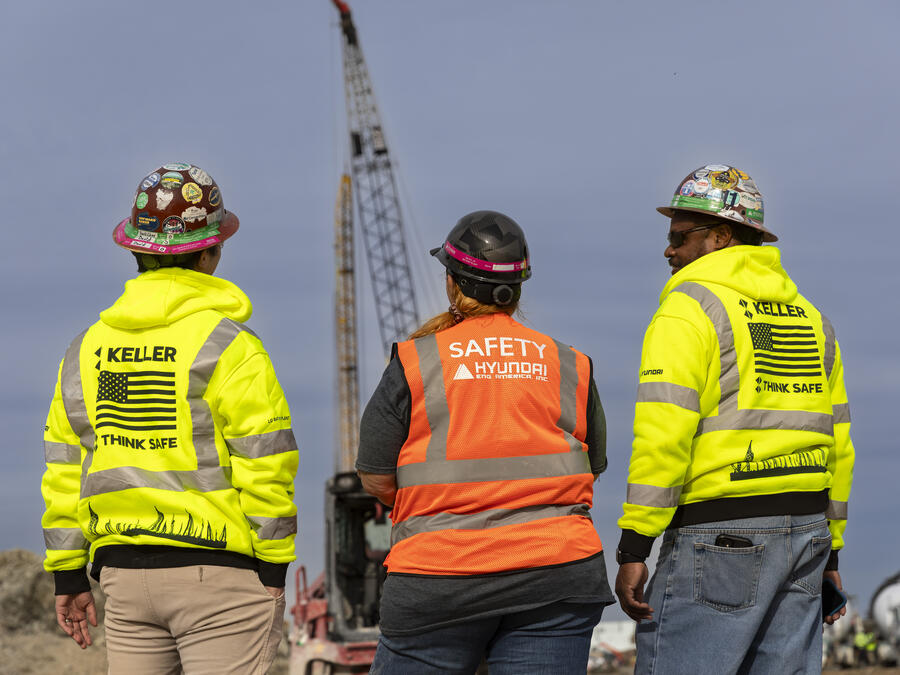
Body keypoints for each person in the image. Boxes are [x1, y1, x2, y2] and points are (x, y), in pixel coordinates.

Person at [41, 163, 298, 674]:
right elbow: (265, 459)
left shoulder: (84, 351)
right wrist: (274, 564)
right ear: (211, 253)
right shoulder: (229, 347)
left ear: (136, 250)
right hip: (219, 575)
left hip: (122, 578)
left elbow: (65, 468)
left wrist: (68, 574)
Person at [614, 164, 855, 674]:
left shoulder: (689, 308)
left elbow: (664, 432)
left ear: (720, 238)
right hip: (806, 534)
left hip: (721, 535)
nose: (668, 250)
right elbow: (839, 443)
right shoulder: (814, 321)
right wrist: (830, 553)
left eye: (681, 236)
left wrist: (635, 543)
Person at [357, 210, 615, 674]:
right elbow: (589, 466)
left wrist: (435, 502)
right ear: (516, 289)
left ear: (453, 283)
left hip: (438, 576)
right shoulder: (570, 363)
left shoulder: (417, 360)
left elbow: (376, 476)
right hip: (556, 574)